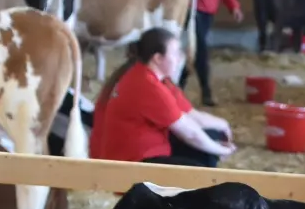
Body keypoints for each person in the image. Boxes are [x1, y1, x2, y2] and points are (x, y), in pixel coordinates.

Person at [89, 27, 236, 168]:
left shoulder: (145, 76)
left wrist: (216, 141)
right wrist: (222, 150)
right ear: (158, 58)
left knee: (207, 146)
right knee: (199, 169)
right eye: (175, 53)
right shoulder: (148, 85)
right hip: (136, 161)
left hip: (138, 153)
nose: (180, 59)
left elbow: (186, 119)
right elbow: (189, 132)